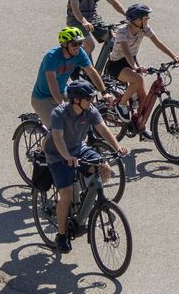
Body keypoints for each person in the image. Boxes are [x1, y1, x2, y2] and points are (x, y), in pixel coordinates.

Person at [45, 77, 122, 256]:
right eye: (89, 98)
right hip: (58, 154)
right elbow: (57, 138)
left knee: (105, 170)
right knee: (66, 195)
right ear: (77, 100)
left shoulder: (90, 111)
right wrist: (67, 157)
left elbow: (103, 129)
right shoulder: (59, 113)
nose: (92, 101)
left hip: (79, 149)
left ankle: (87, 202)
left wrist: (118, 147)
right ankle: (62, 235)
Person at [109, 4, 179, 126]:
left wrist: (173, 56)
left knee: (143, 96)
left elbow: (158, 43)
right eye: (146, 17)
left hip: (131, 61)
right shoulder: (122, 32)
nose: (148, 19)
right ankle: (121, 105)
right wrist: (136, 67)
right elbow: (126, 51)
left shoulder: (144, 28)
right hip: (117, 64)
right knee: (137, 79)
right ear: (137, 20)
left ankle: (140, 125)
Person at [32, 27, 107, 122]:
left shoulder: (79, 53)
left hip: (63, 92)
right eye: (74, 44)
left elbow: (92, 72)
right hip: (43, 98)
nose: (78, 47)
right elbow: (52, 82)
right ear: (64, 44)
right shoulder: (51, 56)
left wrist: (104, 92)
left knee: (84, 112)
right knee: (57, 129)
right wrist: (61, 104)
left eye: (80, 43)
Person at [66, 0, 125, 72]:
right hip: (75, 20)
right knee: (89, 44)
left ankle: (104, 69)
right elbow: (75, 9)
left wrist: (127, 14)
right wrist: (84, 22)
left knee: (112, 38)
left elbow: (113, 2)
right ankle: (83, 66)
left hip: (92, 18)